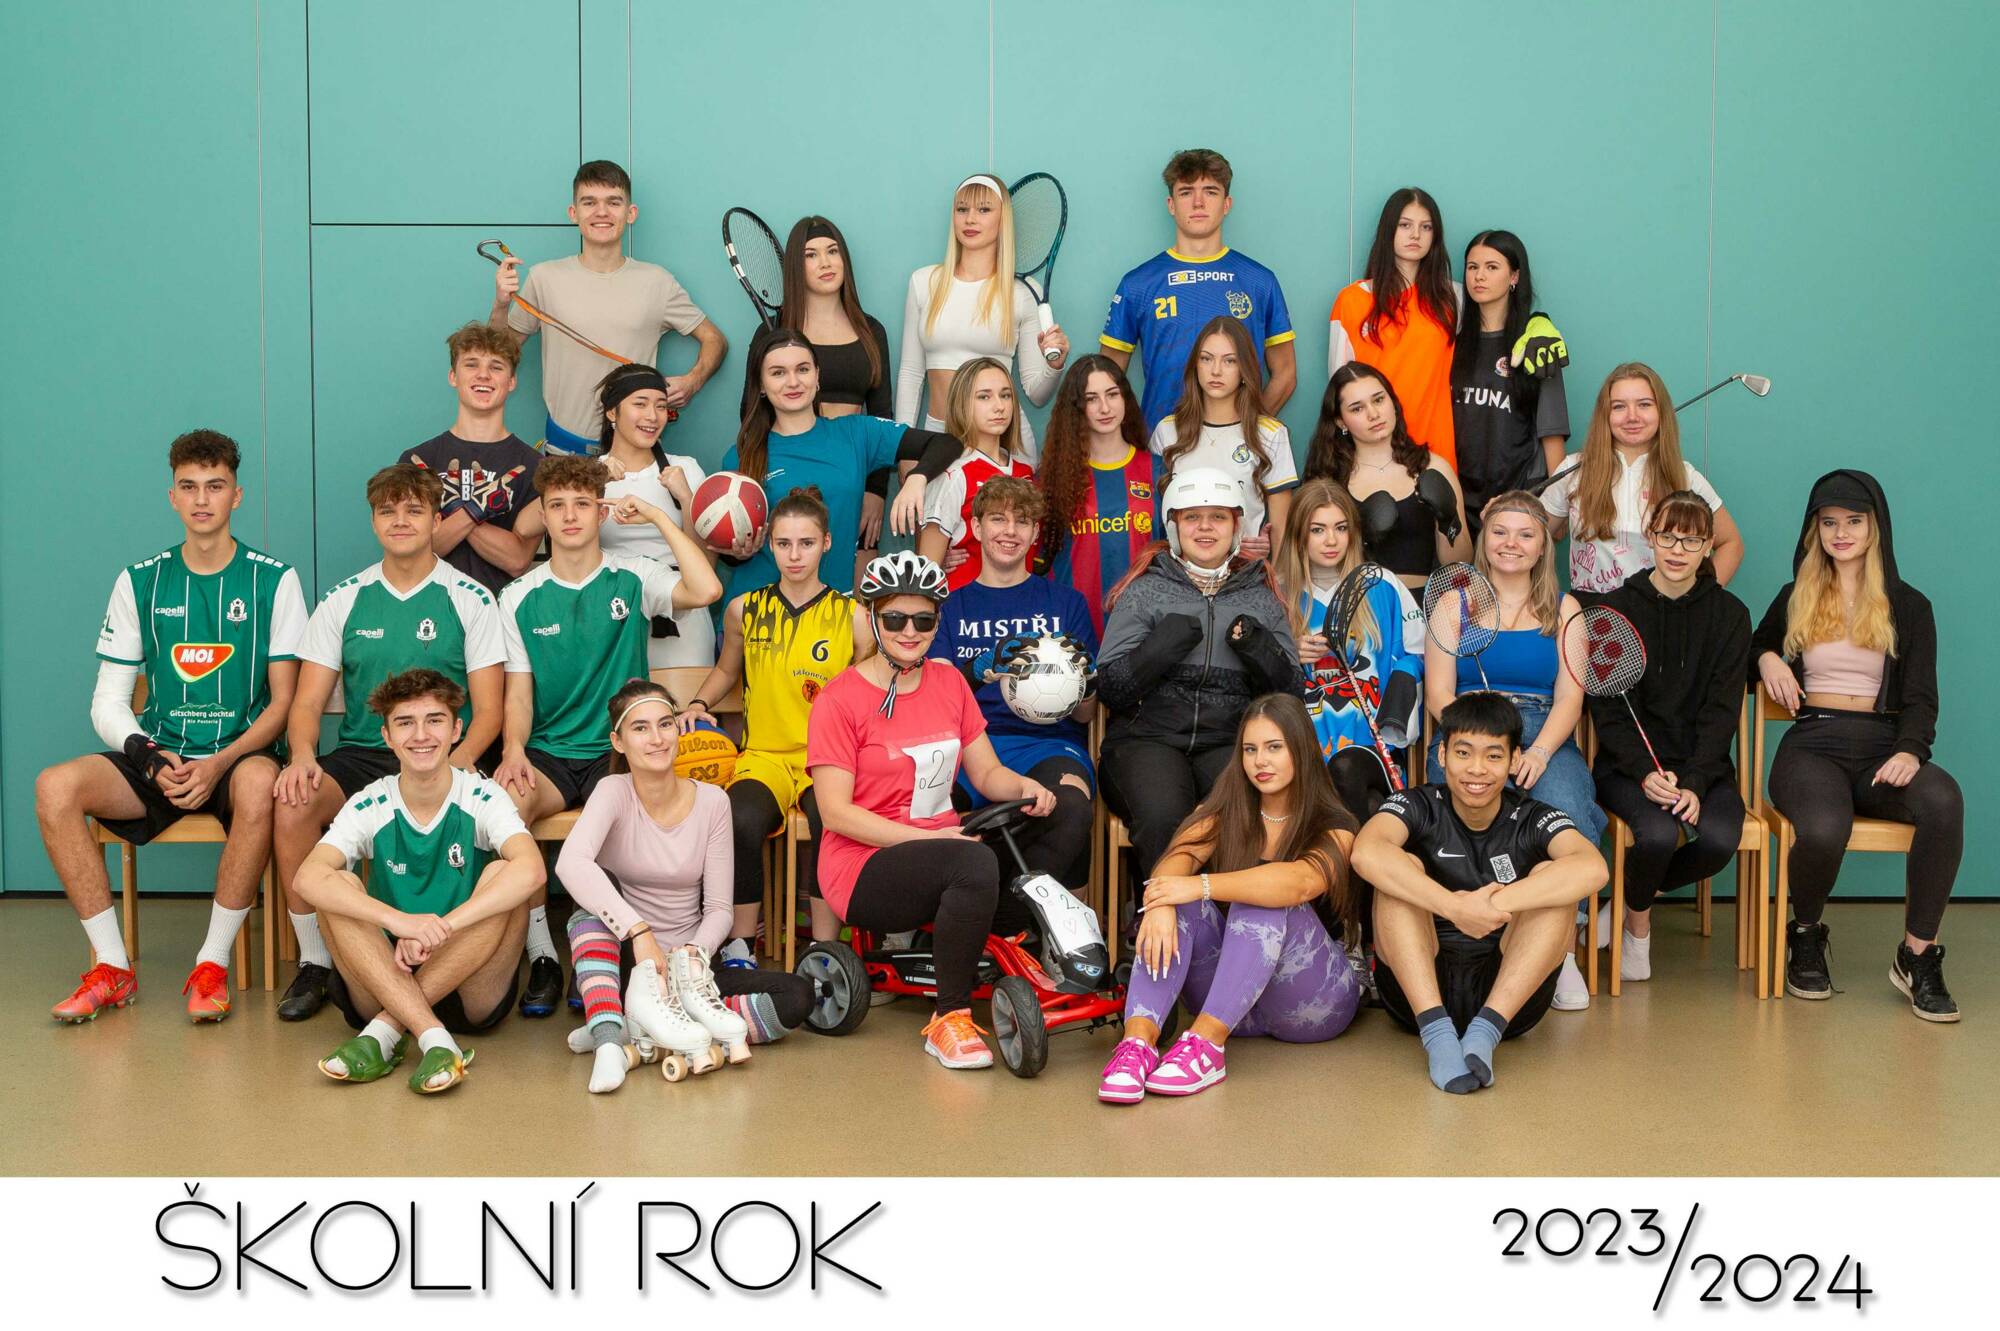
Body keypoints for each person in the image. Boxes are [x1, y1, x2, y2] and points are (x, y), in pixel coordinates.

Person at [40, 429, 308, 1024]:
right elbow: (109, 700)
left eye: (215, 486)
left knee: (260, 784)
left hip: (239, 757)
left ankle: (212, 963)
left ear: (237, 494)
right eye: (189, 487)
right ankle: (113, 967)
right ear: (172, 496)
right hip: (160, 757)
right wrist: (147, 754)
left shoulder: (275, 580)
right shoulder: (140, 579)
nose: (202, 499)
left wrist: (218, 763)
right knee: (55, 787)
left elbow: (284, 704)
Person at [805, 552, 1059, 1071]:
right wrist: (933, 841)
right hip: (862, 864)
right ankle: (949, 1018)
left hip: (944, 846)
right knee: (973, 862)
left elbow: (986, 774)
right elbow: (835, 814)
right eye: (895, 618)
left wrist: (1025, 786)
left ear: (937, 622)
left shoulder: (948, 683)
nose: (909, 631)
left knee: (1062, 818)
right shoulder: (839, 699)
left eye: (923, 620)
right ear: (872, 617)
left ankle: (1031, 952)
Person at [272, 464, 506, 1021]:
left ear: (436, 520)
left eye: (414, 510)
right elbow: (305, 705)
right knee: (294, 801)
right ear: (374, 521)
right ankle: (316, 961)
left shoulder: (470, 598)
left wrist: (461, 761)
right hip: (365, 752)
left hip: (442, 752)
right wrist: (301, 755)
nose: (400, 521)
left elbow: (490, 711)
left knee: (496, 824)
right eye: (387, 511)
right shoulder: (344, 599)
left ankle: (467, 951)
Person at [495, 454, 722, 1015]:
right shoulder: (519, 595)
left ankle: (598, 956)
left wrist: (657, 516)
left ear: (601, 512)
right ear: (544, 515)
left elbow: (706, 589)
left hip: (617, 752)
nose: (570, 516)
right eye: (557, 506)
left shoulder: (633, 575)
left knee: (613, 823)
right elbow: (519, 693)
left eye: (582, 504)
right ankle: (543, 956)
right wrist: (514, 749)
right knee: (506, 810)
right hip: (549, 751)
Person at [1754, 470, 1961, 1019]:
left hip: (1882, 749)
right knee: (1825, 828)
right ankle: (1805, 934)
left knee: (1943, 801)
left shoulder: (1909, 606)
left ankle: (1918, 956)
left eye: (1853, 521)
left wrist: (1910, 751)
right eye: (1829, 523)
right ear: (1814, 530)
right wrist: (1768, 657)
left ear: (1875, 528)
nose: (1841, 533)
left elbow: (1921, 697)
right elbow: (1752, 646)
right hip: (1811, 744)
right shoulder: (1794, 595)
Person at [1099, 695, 1363, 1102]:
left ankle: (1206, 1046)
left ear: (1302, 749)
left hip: (1313, 1004)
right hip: (1235, 1004)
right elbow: (1179, 855)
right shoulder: (1228, 808)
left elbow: (1299, 883)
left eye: (1274, 747)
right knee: (1177, 898)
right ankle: (1137, 1044)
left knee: (1259, 898)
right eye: (1250, 749)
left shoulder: (1335, 822)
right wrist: (1163, 901)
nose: (1260, 761)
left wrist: (1200, 885)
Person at [290, 670, 542, 1095]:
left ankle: (384, 1032)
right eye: (405, 722)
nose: (421, 735)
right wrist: (401, 923)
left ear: (456, 730)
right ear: (387, 736)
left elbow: (533, 870)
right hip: (385, 972)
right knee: (336, 885)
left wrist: (440, 929)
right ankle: (435, 1039)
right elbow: (307, 878)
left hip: (469, 984)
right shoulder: (371, 800)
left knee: (506, 874)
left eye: (434, 720)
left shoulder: (481, 794)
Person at [559, 679, 817, 1093]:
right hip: (626, 962)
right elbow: (570, 863)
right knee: (594, 889)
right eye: (640, 728)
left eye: (665, 724)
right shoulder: (612, 791)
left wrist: (694, 955)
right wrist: (638, 932)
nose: (657, 738)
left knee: (797, 996)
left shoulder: (713, 801)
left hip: (688, 972)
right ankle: (609, 1043)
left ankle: (637, 1032)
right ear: (618, 742)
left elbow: (719, 910)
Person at [1352, 693, 1608, 1094]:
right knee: (1399, 872)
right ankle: (1438, 1036)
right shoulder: (1417, 804)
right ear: (1442, 756)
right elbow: (1365, 853)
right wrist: (1453, 907)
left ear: (1514, 759)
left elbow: (1593, 868)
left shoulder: (1533, 816)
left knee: (1554, 881)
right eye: (1463, 753)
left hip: (1509, 999)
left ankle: (1483, 1034)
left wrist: (1494, 904)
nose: (1477, 769)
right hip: (1417, 994)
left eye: (1493, 756)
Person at [1425, 491, 1604, 1010]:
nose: (1511, 543)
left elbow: (1571, 698)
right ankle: (1460, 940)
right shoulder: (1453, 604)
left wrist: (1540, 753)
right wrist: (1483, 745)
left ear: (1543, 546)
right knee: (1453, 818)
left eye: (1526, 535)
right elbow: (1438, 693)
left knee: (1566, 809)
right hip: (1469, 726)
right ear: (1484, 540)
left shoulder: (1564, 609)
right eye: (1500, 532)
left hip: (1542, 728)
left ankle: (1560, 951)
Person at [677, 486, 871, 952]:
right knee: (739, 819)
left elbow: (868, 693)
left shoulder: (854, 617)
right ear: (769, 543)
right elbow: (727, 670)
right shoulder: (744, 609)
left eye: (806, 543)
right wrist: (699, 704)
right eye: (784, 543)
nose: (794, 555)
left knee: (832, 821)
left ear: (826, 543)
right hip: (763, 756)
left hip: (828, 760)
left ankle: (825, 953)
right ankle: (741, 948)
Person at [1096, 468, 1303, 889]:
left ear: (1236, 526)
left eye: (1218, 517)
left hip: (1229, 741)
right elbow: (1112, 689)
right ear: (1173, 526)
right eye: (1192, 517)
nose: (1205, 528)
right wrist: (1162, 646)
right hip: (1146, 740)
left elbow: (1292, 695)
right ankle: (1164, 917)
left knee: (1242, 816)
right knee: (1164, 816)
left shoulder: (1261, 596)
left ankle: (1233, 922)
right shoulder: (1144, 590)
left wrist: (1257, 646)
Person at [1589, 491, 1750, 982]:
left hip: (1703, 767)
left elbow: (1722, 712)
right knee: (1657, 836)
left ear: (1708, 546)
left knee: (1719, 841)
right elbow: (1608, 712)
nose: (1678, 550)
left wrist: (1696, 782)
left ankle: (1627, 900)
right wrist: (1644, 773)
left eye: (1692, 540)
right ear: (1651, 538)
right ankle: (1637, 935)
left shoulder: (1731, 615)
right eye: (1668, 537)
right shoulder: (1615, 608)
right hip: (1629, 769)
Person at [488, 159, 726, 456]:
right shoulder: (543, 277)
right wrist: (501, 304)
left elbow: (715, 339)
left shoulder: (658, 282)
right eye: (589, 202)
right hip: (563, 456)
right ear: (573, 213)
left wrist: (692, 381)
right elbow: (497, 354)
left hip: (634, 457)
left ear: (631, 213)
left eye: (613, 202)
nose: (601, 212)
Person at [928, 477, 1098, 890]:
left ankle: (1010, 914)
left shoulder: (1066, 603)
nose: (1010, 531)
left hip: (1050, 744)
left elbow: (1086, 714)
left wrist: (1086, 681)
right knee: (925, 814)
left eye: (1022, 521)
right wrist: (980, 668)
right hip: (969, 749)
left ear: (1035, 533)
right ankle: (979, 906)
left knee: (1071, 808)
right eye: (998, 519)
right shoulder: (948, 606)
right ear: (977, 527)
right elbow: (935, 701)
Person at [719, 332, 964, 597]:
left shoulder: (856, 432)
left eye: (803, 369)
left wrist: (918, 478)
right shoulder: (742, 455)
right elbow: (728, 552)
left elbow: (948, 443)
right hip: (760, 606)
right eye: (778, 373)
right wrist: (739, 553)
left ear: (817, 376)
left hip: (834, 607)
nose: (793, 381)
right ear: (761, 385)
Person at [734, 216, 895, 584]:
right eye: (811, 255)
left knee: (852, 599)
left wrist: (875, 492)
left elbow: (882, 415)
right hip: (789, 474)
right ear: (795, 265)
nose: (825, 262)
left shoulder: (871, 330)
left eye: (832, 251)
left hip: (853, 479)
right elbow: (750, 414)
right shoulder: (772, 331)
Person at [1100, 148, 1297, 430]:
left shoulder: (1259, 281)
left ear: (1227, 204)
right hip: (1160, 445)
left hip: (1239, 449)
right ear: (1171, 204)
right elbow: (1106, 378)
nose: (1198, 202)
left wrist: (1248, 432)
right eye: (1186, 192)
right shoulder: (1138, 284)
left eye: (1210, 192)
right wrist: (1136, 439)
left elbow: (1286, 373)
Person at [1271, 478, 1423, 818]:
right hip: (1300, 752)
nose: (1331, 540)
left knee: (1349, 773)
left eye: (1341, 528)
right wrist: (1287, 654)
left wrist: (1394, 720)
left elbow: (1417, 654)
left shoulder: (1381, 583)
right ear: (1298, 534)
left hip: (1370, 749)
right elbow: (1259, 672)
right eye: (1318, 530)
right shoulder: (1276, 594)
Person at [895, 173, 1067, 462]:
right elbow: (911, 374)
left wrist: (1055, 365)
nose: (970, 219)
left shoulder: (1023, 292)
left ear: (1003, 220)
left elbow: (1037, 394)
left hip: (1005, 443)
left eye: (984, 209)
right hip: (937, 439)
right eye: (962, 209)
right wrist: (905, 449)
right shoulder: (924, 282)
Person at [1541, 362, 1743, 597]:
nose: (1632, 417)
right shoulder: (1574, 470)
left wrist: (1696, 602)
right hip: (1590, 610)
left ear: (1661, 412)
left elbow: (1731, 544)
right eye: (1619, 406)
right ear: (1605, 414)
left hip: (1660, 612)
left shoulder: (1685, 476)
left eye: (1644, 404)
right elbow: (1532, 537)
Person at [401, 322, 547, 597]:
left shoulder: (533, 466)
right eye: (471, 364)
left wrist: (455, 511)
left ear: (511, 381)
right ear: (453, 376)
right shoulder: (418, 460)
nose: (483, 375)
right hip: (427, 609)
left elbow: (517, 560)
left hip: (498, 612)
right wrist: (474, 511)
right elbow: (415, 551)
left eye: (496, 367)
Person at [591, 362, 718, 668]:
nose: (652, 416)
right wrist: (593, 483)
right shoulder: (587, 475)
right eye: (640, 404)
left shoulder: (686, 469)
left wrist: (686, 498)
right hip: (610, 615)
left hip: (683, 618)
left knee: (686, 698)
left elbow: (707, 564)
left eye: (661, 406)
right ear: (612, 412)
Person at [1303, 362, 1470, 588]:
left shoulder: (1434, 467)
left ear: (1392, 402)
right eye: (1357, 408)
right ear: (1341, 421)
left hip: (1424, 602)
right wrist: (1363, 540)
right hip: (1356, 602)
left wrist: (1448, 520)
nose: (1373, 414)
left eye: (1379, 400)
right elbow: (1307, 563)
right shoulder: (1329, 480)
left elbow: (1461, 567)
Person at [1146, 316, 1299, 561]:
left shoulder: (1270, 434)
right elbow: (1153, 518)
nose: (1216, 370)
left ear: (1244, 369)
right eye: (1206, 359)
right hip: (1180, 573)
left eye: (1230, 361)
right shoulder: (1168, 431)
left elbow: (1282, 531)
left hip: (1245, 572)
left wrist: (1275, 573)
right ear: (1195, 366)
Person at [1329, 187, 1461, 469]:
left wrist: (1539, 323)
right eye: (1405, 225)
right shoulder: (1352, 300)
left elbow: (1500, 322)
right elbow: (1339, 389)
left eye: (1426, 227)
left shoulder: (1453, 299)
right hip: (1373, 455)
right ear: (1388, 230)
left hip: (1435, 453)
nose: (1416, 235)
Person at [1032, 354, 1158, 635]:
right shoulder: (1050, 480)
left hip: (1144, 632)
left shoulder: (1158, 471)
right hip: (1070, 631)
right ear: (1076, 408)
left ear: (1125, 397)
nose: (1105, 407)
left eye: (1112, 394)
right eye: (1091, 399)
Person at [1450, 230, 1569, 529]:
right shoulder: (1452, 343)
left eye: (1492, 267)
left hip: (1518, 501)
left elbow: (1552, 435)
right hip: (1458, 503)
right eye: (1472, 267)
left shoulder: (1537, 343)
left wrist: (1557, 511)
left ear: (1514, 276)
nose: (1479, 276)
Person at [918, 357, 1036, 590]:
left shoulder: (1025, 472)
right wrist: (939, 563)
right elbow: (925, 572)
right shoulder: (952, 474)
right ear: (962, 404)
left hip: (1023, 605)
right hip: (964, 606)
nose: (999, 406)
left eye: (1005, 395)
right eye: (984, 397)